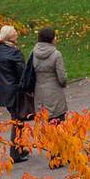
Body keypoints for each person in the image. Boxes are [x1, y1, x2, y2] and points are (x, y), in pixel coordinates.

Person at [31, 27, 69, 169]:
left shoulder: (34, 52)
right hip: (54, 92)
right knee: (59, 124)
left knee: (48, 125)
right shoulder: (56, 54)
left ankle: (55, 155)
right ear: (51, 39)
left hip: (39, 92)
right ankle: (61, 156)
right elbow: (62, 77)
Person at [0, 25, 30, 163]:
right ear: (10, 36)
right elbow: (23, 73)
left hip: (4, 90)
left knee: (17, 120)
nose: (17, 34)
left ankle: (20, 149)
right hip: (15, 91)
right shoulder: (14, 53)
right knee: (18, 121)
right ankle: (15, 153)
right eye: (15, 32)